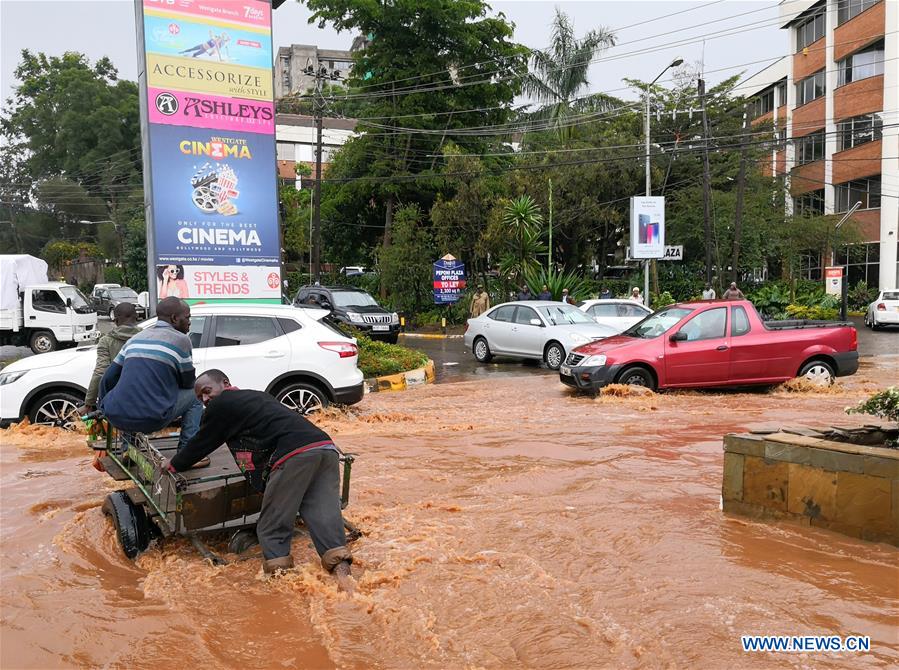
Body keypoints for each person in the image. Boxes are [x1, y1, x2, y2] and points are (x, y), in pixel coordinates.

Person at [168, 369, 354, 586]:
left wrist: (174, 464)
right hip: (325, 448)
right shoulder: (258, 396)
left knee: (271, 526)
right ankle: (344, 578)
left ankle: (281, 585)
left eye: (207, 391)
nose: (205, 399)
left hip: (293, 455)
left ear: (225, 383)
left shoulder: (222, 404)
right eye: (200, 397)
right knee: (323, 516)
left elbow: (203, 441)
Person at [99, 297, 204, 453]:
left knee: (132, 392)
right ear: (175, 318)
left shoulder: (135, 339)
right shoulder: (182, 340)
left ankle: (129, 447)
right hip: (151, 420)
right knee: (197, 393)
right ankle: (187, 452)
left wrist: (103, 406)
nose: (189, 323)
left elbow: (108, 378)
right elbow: (188, 383)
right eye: (187, 318)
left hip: (115, 415)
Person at [76, 303, 141, 416]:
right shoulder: (148, 337)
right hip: (144, 398)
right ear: (137, 317)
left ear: (115, 320)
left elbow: (100, 372)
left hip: (116, 400)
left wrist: (89, 403)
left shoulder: (106, 341)